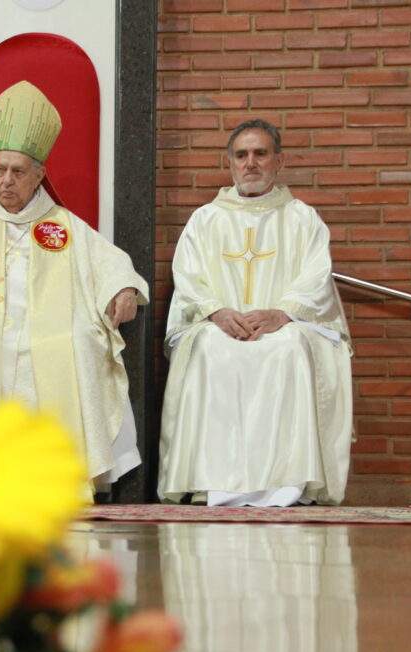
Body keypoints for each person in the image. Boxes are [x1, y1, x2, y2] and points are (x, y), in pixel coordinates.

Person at [0, 80, 149, 494]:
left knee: (72, 344)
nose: (6, 181)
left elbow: (109, 263)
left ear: (39, 173)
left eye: (18, 171)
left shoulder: (61, 223)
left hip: (46, 332)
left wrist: (121, 288)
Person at [158, 119, 352, 507]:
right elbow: (188, 276)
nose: (250, 163)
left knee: (292, 345)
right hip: (222, 326)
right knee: (209, 346)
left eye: (260, 154)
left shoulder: (302, 218)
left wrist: (282, 314)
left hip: (281, 327)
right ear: (229, 162)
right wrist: (215, 312)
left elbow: (316, 277)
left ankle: (289, 483)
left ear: (279, 161)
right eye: (241, 155)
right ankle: (212, 483)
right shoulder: (206, 219)